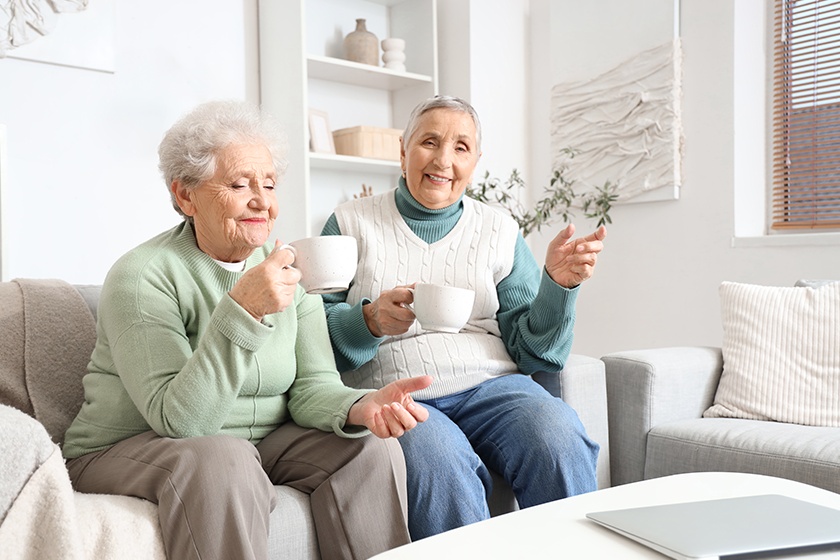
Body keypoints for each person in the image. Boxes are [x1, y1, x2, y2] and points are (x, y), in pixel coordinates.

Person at [62, 100, 432, 560]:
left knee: (368, 451)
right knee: (222, 459)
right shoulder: (143, 276)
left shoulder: (291, 269)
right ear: (185, 196)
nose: (263, 200)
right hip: (128, 448)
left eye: (270, 184)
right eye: (239, 184)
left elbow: (312, 386)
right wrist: (243, 310)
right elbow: (180, 422)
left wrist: (361, 406)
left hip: (257, 443)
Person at [319, 95, 606, 540]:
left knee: (558, 436)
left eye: (461, 147)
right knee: (439, 463)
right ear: (402, 149)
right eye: (429, 142)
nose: (443, 160)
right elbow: (313, 336)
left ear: (475, 162)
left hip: (493, 387)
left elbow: (537, 352)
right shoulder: (350, 223)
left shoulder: (499, 230)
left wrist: (557, 286)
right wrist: (370, 319)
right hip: (398, 391)